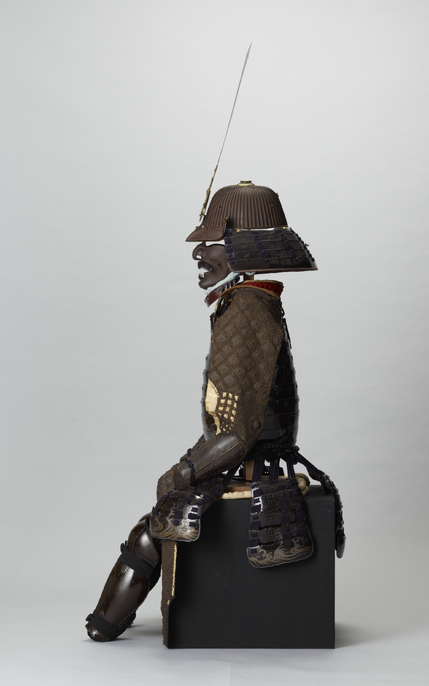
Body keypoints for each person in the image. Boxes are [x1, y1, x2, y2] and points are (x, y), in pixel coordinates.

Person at [85, 181, 344, 643]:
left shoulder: (245, 309)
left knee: (150, 530)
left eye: (212, 242)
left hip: (255, 462)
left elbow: (238, 432)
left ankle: (103, 625)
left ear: (242, 249)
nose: (198, 253)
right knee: (160, 512)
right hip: (261, 455)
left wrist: (180, 473)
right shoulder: (254, 301)